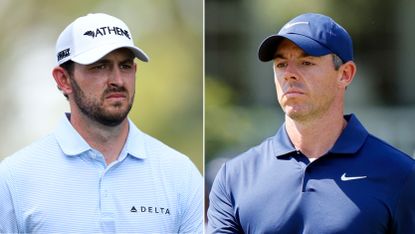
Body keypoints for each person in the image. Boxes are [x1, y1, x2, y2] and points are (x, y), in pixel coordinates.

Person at [207, 13, 415, 233]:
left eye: (306, 62)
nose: (289, 74)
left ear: (345, 74)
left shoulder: (400, 175)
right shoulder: (234, 177)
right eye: (281, 64)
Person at [0, 13, 202, 233]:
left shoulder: (180, 174)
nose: (117, 80)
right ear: (63, 79)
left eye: (125, 66)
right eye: (99, 66)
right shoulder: (15, 179)